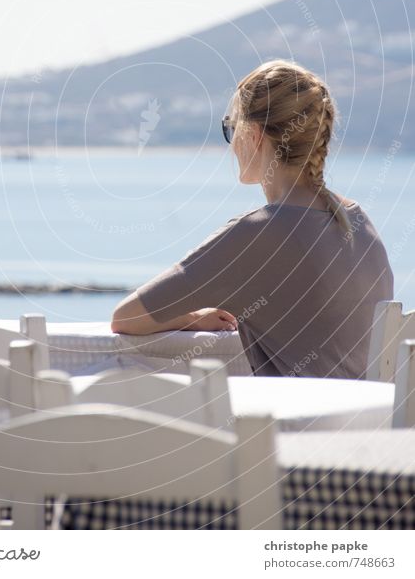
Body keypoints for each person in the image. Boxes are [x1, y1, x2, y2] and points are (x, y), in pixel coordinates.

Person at [111, 59, 394, 379]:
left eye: (231, 128)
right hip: (373, 421)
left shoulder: (259, 232)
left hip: (297, 424)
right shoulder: (357, 219)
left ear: (255, 135)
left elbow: (127, 318)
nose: (232, 144)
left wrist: (192, 318)